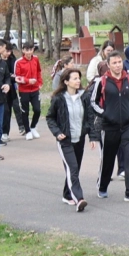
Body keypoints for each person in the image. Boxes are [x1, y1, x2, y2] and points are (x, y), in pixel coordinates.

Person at [87, 49, 129, 202]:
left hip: (127, 125)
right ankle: (102, 186)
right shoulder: (101, 81)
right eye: (114, 63)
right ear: (109, 65)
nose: (118, 65)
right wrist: (105, 114)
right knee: (108, 159)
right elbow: (93, 102)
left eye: (119, 62)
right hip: (109, 126)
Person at [45, 66, 90, 211]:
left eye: (79, 78)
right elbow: (50, 118)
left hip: (79, 138)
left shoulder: (84, 96)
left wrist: (93, 136)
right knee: (73, 168)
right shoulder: (58, 99)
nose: (78, 81)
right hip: (65, 140)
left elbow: (90, 117)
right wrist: (57, 132)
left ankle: (67, 194)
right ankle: (79, 198)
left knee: (73, 169)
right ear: (66, 81)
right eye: (75, 78)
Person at [14, 43, 44, 140]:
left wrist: (40, 82)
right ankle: (27, 131)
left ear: (33, 50)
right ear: (23, 50)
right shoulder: (19, 62)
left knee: (37, 110)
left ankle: (33, 127)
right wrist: (27, 81)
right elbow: (17, 77)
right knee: (25, 111)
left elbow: (38, 71)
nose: (29, 52)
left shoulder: (35, 59)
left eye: (30, 50)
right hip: (24, 90)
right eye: (26, 50)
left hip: (35, 89)